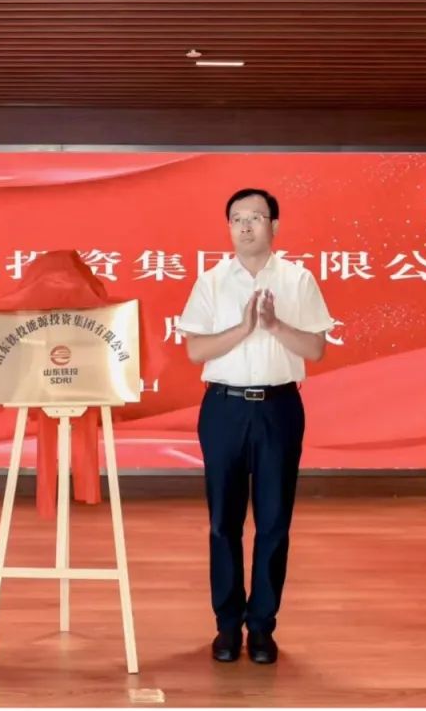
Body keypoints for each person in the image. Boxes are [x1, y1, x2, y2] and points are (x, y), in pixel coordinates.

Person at [177, 187, 334, 665]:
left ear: (274, 226)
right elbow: (195, 351)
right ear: (229, 227)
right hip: (223, 408)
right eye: (237, 219)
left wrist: (274, 325)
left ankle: (262, 627)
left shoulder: (298, 280)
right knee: (223, 523)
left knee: (273, 521)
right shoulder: (211, 282)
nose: (245, 227)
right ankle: (227, 625)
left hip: (278, 408)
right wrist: (244, 329)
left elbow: (315, 350)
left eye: (255, 218)